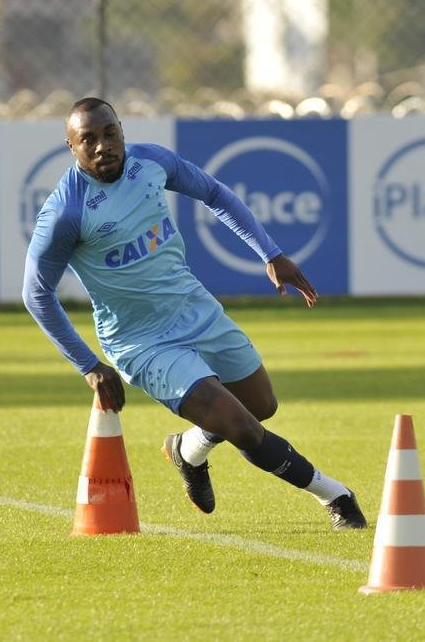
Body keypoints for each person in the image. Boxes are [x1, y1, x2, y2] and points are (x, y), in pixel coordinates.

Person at [22, 97, 366, 530]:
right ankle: (335, 495)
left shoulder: (149, 162)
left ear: (122, 131)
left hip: (195, 309)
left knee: (261, 405)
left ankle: (188, 450)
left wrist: (271, 253)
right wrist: (89, 365)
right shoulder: (66, 213)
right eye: (87, 140)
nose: (102, 147)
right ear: (71, 147)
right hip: (142, 341)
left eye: (110, 134)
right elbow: (36, 294)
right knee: (241, 427)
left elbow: (215, 193)